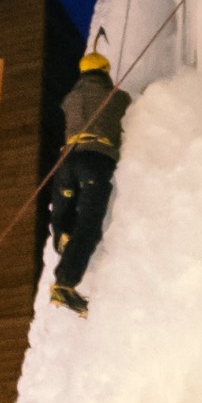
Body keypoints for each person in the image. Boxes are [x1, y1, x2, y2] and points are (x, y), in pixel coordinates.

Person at [42, 46, 133, 313]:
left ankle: (64, 239)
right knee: (89, 225)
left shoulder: (70, 98)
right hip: (95, 161)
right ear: (105, 72)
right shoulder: (116, 97)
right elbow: (127, 108)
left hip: (67, 163)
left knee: (63, 212)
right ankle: (65, 283)